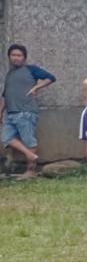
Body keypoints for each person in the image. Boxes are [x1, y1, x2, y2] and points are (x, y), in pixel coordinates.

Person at [3, 44, 56, 180]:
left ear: (24, 58)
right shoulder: (10, 74)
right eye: (13, 55)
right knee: (6, 138)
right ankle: (30, 154)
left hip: (26, 112)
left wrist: (36, 88)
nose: (15, 58)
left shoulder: (31, 69)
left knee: (29, 142)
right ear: (9, 57)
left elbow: (50, 78)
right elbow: (5, 95)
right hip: (10, 114)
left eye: (19, 55)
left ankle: (31, 171)